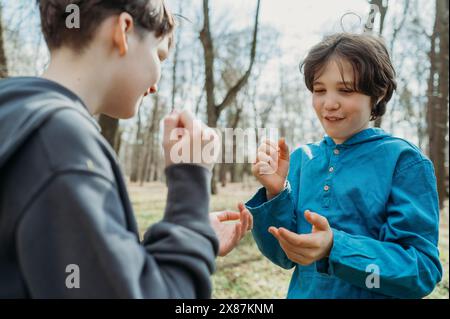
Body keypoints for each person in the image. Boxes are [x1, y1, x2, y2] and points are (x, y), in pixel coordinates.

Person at [0, 0, 252, 298]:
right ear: (124, 30)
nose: (156, 85)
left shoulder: (14, 111)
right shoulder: (61, 145)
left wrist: (193, 233)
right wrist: (190, 183)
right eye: (159, 55)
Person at [246, 33, 442, 299]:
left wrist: (335, 247)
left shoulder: (404, 162)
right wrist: (276, 194)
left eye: (346, 90)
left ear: (379, 92)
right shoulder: (302, 159)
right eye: (319, 90)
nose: (329, 103)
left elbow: (421, 272)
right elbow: (283, 257)